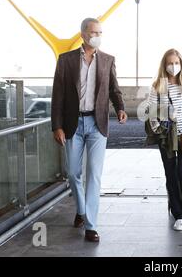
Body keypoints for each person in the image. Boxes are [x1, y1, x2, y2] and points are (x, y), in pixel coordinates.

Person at [51, 18, 127, 242]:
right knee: (74, 173)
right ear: (83, 34)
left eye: (100, 32)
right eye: (94, 32)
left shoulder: (107, 60)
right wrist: (57, 126)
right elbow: (58, 96)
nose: (98, 36)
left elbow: (114, 89)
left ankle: (91, 225)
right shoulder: (65, 61)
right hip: (72, 124)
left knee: (94, 174)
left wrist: (120, 108)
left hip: (97, 124)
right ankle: (82, 210)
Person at [148, 48, 182, 231]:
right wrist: (159, 129)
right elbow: (152, 113)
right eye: (170, 63)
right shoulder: (157, 86)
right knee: (171, 174)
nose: (173, 66)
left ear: (181, 64)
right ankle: (177, 215)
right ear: (164, 65)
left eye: (176, 63)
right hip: (166, 136)